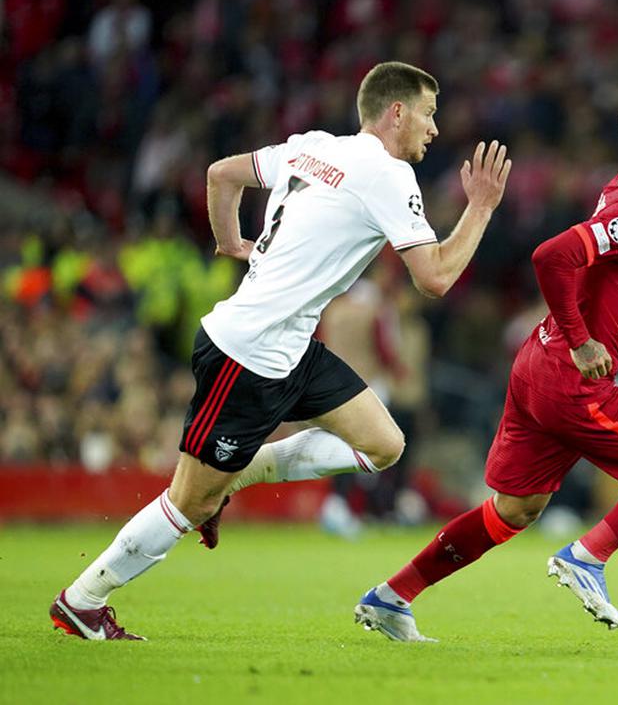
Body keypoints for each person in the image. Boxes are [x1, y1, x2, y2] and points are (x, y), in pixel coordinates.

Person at [49, 61, 512, 640]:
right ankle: (83, 598)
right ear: (397, 112)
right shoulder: (388, 175)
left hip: (292, 347)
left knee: (383, 444)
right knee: (187, 503)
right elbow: (435, 278)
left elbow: (222, 175)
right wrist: (482, 207)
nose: (434, 128)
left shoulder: (312, 146)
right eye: (428, 113)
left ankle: (236, 479)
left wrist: (231, 244)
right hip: (246, 354)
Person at [351, 91, 618, 642]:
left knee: (515, 508)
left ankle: (392, 597)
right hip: (571, 380)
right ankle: (588, 557)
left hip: (538, 365)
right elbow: (551, 256)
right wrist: (582, 343)